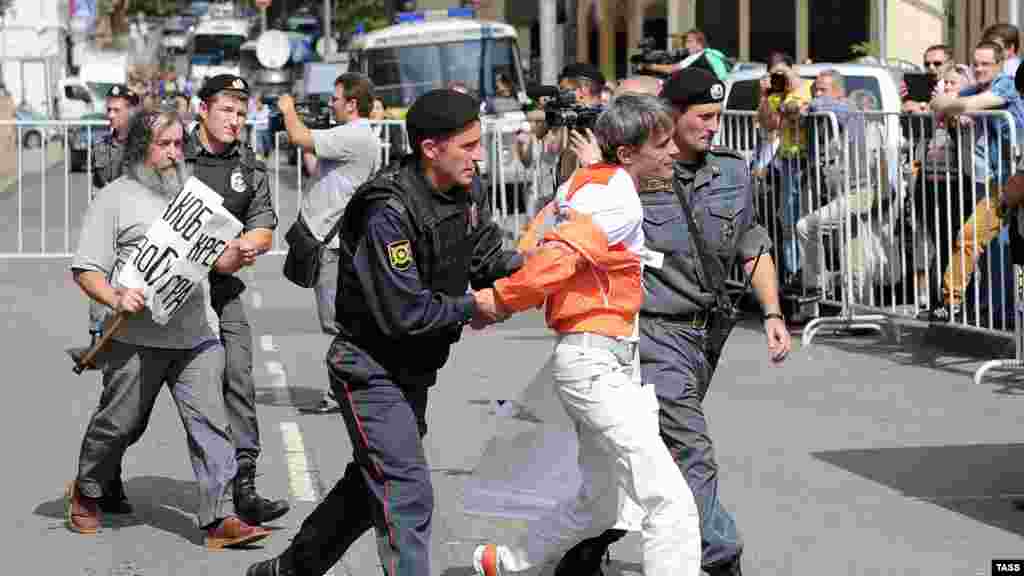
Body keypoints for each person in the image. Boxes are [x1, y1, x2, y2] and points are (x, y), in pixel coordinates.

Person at [244, 88, 524, 576]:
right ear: (431, 148)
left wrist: (539, 267)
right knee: (405, 490)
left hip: (414, 368)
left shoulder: (467, 191)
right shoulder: (388, 209)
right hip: (369, 368)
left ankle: (286, 571)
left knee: (368, 486)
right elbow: (404, 312)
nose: (480, 155)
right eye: (469, 145)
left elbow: (485, 259)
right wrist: (470, 307)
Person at [553, 68, 791, 576]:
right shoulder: (640, 173)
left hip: (706, 334)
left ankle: (583, 549)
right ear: (672, 116)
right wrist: (586, 166)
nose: (713, 126)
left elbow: (751, 242)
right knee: (689, 449)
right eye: (703, 117)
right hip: (653, 332)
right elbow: (576, 208)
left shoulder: (731, 173)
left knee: (651, 453)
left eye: (718, 116)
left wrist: (772, 312)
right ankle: (722, 560)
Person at [473, 93, 702, 576]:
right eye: (662, 144)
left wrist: (503, 296)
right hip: (595, 363)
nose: (673, 151)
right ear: (628, 153)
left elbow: (534, 243)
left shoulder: (587, 184)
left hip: (598, 359)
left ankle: (505, 561)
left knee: (602, 502)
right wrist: (501, 300)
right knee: (668, 499)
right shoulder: (614, 194)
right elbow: (556, 259)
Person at [66, 106, 272, 548]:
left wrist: (237, 255)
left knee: (211, 426)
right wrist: (115, 297)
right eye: (165, 144)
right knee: (118, 425)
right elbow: (86, 269)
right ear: (141, 148)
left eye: (179, 144)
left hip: (197, 335)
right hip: (135, 338)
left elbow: (216, 260)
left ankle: (220, 518)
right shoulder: (114, 198)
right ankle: (87, 488)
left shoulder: (193, 198)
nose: (176, 153)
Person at [181, 74, 290, 525]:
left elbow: (263, 226)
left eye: (242, 113)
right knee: (131, 403)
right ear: (203, 109)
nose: (235, 120)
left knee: (238, 377)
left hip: (223, 291)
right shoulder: (174, 155)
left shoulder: (248, 162)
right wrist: (215, 253)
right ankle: (98, 477)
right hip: (169, 289)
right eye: (226, 110)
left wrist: (247, 246)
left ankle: (243, 485)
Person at [276, 72, 381, 413]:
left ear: (351, 104)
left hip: (332, 247)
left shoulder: (354, 135)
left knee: (339, 323)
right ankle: (354, 385)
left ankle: (352, 387)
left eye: (335, 99)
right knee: (339, 322)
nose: (330, 104)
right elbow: (313, 161)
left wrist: (288, 108)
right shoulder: (352, 135)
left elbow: (298, 136)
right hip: (327, 242)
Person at [929, 42, 1024, 322]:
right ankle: (955, 302)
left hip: (1016, 177)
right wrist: (949, 102)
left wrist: (951, 103)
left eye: (986, 64)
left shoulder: (1006, 85)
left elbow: (961, 104)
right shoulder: (976, 89)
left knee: (996, 246)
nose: (980, 69)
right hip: (1002, 182)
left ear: (1000, 64)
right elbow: (939, 105)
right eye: (976, 64)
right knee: (974, 238)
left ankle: (999, 315)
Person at [92, 84, 140, 190]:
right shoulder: (101, 146)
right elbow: (96, 187)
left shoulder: (143, 145)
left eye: (116, 110)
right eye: (109, 110)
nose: (111, 115)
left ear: (131, 112)